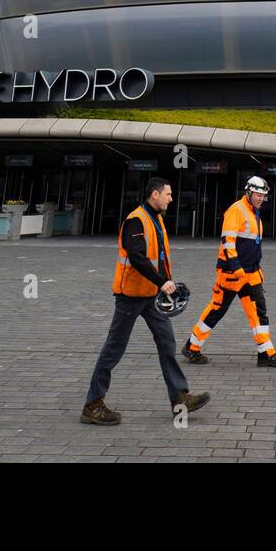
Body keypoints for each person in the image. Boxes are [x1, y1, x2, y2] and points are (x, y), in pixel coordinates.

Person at [81, 177, 210, 424]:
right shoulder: (136, 220)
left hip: (151, 296)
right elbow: (138, 258)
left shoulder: (156, 219)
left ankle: (180, 397)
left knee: (167, 342)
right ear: (154, 194)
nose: (171, 199)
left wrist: (166, 285)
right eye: (168, 194)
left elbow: (159, 256)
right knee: (114, 348)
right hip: (130, 295)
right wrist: (162, 281)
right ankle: (92, 405)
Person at [182, 175, 276, 367]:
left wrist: (255, 269)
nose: (261, 199)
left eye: (263, 196)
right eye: (258, 194)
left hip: (250, 273)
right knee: (217, 310)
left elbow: (252, 245)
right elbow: (227, 243)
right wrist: (237, 268)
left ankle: (266, 353)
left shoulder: (253, 211)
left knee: (259, 311)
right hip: (231, 274)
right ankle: (192, 347)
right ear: (248, 192)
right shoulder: (236, 210)